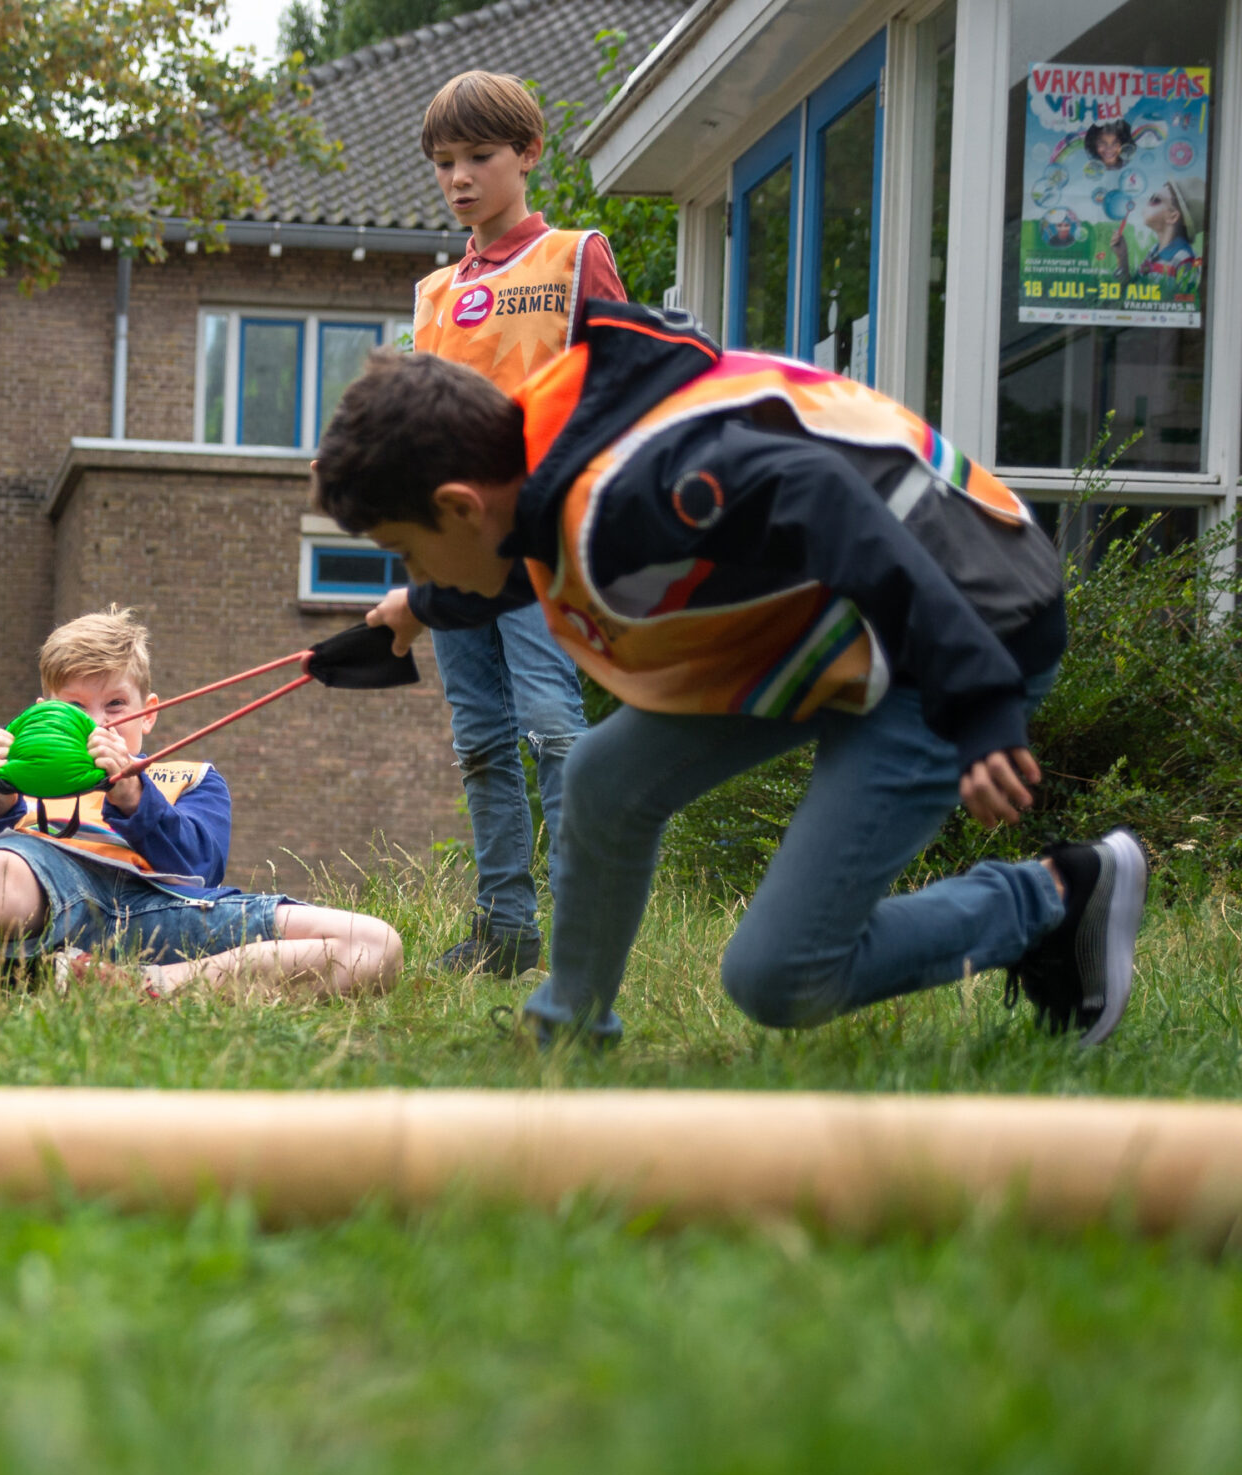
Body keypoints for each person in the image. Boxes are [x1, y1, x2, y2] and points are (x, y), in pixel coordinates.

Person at [314, 298, 1146, 1046]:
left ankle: (1055, 898)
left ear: (459, 503)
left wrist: (980, 700)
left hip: (961, 628)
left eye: (405, 548)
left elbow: (824, 497)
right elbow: (518, 549)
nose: (411, 565)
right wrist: (423, 605)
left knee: (780, 977)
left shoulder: (642, 491)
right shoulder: (540, 455)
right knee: (605, 778)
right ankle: (568, 1028)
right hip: (831, 626)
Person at [0, 609, 400, 1011]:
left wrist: (133, 797)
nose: (96, 724)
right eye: (75, 707)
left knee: (374, 944)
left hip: (166, 911)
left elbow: (200, 872)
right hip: (51, 899)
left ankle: (140, 986)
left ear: (149, 713)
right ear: (45, 712)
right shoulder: (20, 782)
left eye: (115, 704)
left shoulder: (190, 777)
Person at [398, 70, 628, 979]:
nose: (460, 177)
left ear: (528, 155)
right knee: (481, 736)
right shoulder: (433, 292)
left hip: (541, 537)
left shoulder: (575, 257)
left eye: (480, 158)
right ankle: (504, 926)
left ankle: (581, 927)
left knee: (550, 725)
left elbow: (624, 380)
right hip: (454, 550)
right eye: (444, 162)